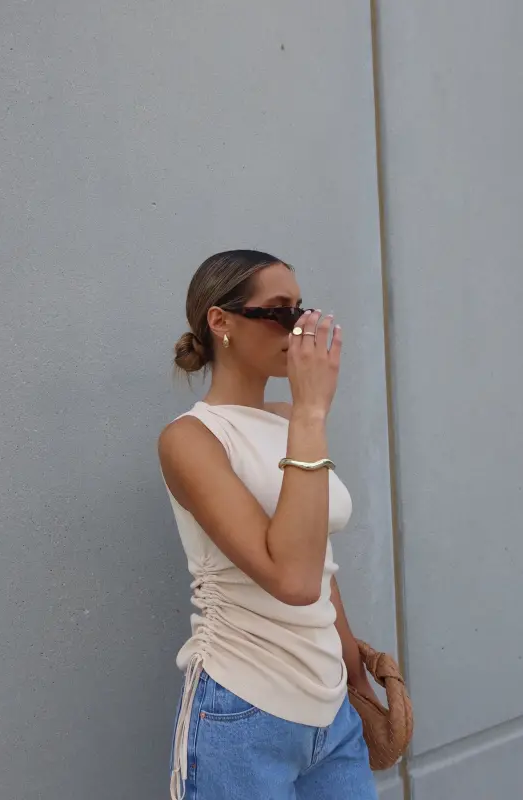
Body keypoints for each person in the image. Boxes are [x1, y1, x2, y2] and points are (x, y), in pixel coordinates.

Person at [158, 250, 379, 800]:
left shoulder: (288, 419)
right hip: (241, 709)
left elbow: (316, 560)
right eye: (280, 311)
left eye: (302, 310)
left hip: (332, 707)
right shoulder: (192, 438)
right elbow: (292, 580)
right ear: (221, 321)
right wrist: (311, 412)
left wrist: (353, 670)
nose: (298, 327)